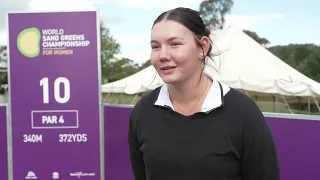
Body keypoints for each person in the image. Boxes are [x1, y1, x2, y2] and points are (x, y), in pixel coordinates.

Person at [128, 7, 280, 180]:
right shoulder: (143, 112)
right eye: (155, 46)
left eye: (175, 44)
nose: (163, 55)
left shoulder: (243, 113)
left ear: (203, 47)